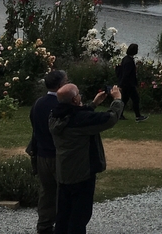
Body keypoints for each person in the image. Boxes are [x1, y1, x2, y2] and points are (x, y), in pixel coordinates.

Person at [49, 82, 123, 234]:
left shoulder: (54, 117)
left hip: (64, 172)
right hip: (82, 174)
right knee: (79, 216)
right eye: (78, 94)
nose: (80, 96)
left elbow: (76, 113)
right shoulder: (79, 122)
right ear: (75, 100)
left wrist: (94, 104)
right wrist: (117, 100)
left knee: (63, 215)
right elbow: (110, 118)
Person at [27, 69, 67, 234]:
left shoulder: (38, 104)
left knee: (46, 192)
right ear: (60, 85)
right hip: (58, 155)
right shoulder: (62, 105)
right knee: (63, 192)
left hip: (42, 154)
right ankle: (63, 225)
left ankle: (44, 225)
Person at [117, 43, 147, 122]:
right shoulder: (129, 61)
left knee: (125, 99)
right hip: (129, 84)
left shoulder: (125, 59)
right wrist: (121, 84)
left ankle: (120, 114)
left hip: (126, 84)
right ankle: (138, 116)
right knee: (135, 99)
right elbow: (126, 74)